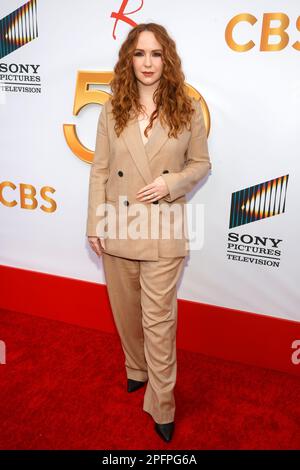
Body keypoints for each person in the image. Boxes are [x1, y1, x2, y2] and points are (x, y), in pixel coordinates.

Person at [86, 23, 212, 443]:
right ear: (129, 59)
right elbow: (100, 170)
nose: (147, 62)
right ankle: (136, 370)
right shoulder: (111, 108)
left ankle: (162, 403)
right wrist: (94, 224)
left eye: (156, 54)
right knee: (126, 313)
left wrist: (171, 183)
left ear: (167, 59)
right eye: (140, 54)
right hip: (119, 224)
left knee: (159, 320)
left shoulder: (186, 107)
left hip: (164, 225)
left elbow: (201, 164)